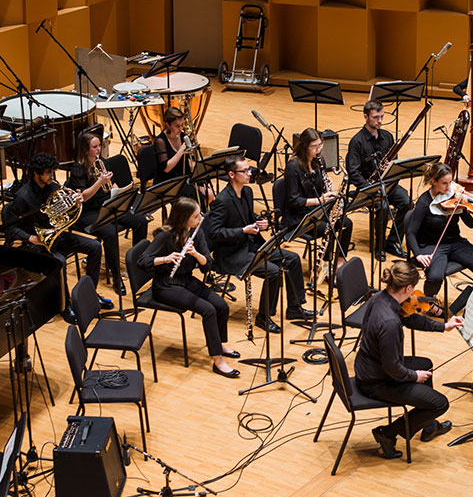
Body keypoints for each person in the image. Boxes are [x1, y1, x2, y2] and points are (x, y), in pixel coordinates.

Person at [354, 261, 465, 458]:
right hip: (376, 381)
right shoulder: (389, 324)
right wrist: (413, 376)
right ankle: (387, 433)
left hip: (370, 366)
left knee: (425, 365)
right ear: (408, 288)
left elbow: (410, 318)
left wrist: (444, 326)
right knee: (440, 404)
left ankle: (428, 425)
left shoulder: (381, 298)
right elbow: (392, 368)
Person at [207, 155, 313, 334]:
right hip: (232, 254)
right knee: (273, 272)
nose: (250, 174)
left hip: (251, 246)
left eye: (249, 169)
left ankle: (294, 307)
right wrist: (243, 230)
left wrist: (260, 222)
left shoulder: (247, 192)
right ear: (232, 175)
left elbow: (248, 218)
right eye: (245, 171)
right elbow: (214, 233)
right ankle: (263, 317)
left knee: (292, 259)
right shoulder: (222, 201)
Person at [138, 198, 240, 378]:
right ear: (183, 218)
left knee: (221, 306)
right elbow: (143, 261)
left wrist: (195, 253)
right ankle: (218, 361)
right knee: (208, 310)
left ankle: (219, 344)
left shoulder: (196, 233)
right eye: (195, 216)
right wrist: (166, 258)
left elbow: (207, 265)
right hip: (166, 285)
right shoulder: (165, 235)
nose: (201, 218)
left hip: (186, 280)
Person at [4, 152, 112, 310]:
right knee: (60, 262)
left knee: (95, 247)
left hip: (58, 236)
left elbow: (65, 212)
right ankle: (65, 304)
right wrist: (30, 238)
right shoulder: (23, 197)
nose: (51, 176)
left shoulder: (53, 187)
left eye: (52, 172)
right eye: (48, 172)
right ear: (36, 173)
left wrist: (74, 201)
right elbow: (10, 228)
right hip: (38, 244)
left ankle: (90, 294)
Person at [406, 162, 473, 315]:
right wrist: (418, 254)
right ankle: (428, 302)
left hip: (456, 242)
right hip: (432, 245)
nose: (449, 188)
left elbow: (470, 223)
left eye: (450, 182)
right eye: (444, 183)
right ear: (433, 182)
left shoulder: (455, 197)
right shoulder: (424, 202)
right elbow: (410, 233)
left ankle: (471, 305)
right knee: (435, 276)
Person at [66, 131, 148, 296]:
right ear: (85, 149)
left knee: (140, 221)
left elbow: (112, 185)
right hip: (87, 212)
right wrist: (100, 182)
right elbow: (83, 197)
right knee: (110, 233)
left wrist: (117, 190)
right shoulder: (77, 169)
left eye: (99, 146)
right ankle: (116, 276)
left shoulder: (102, 163)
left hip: (107, 204)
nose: (98, 150)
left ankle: (139, 264)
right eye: (94, 147)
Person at [346, 100, 411, 260]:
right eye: (376, 117)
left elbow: (395, 162)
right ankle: (379, 247)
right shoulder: (357, 141)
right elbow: (353, 172)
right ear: (365, 116)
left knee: (407, 202)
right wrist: (368, 187)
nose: (380, 121)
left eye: (381, 116)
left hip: (387, 184)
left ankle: (392, 242)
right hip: (367, 188)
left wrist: (389, 168)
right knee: (382, 207)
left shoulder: (387, 136)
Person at [282, 127, 353, 274]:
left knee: (346, 223)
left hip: (317, 209)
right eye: (314, 146)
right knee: (331, 227)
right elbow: (293, 201)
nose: (318, 149)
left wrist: (327, 190)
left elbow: (319, 187)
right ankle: (326, 266)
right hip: (299, 216)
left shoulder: (318, 161)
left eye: (320, 145)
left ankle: (339, 261)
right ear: (304, 146)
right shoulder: (293, 167)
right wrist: (319, 200)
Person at [152, 106, 212, 204]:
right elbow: (166, 168)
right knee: (196, 198)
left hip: (183, 177)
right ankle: (192, 216)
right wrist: (180, 151)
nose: (181, 129)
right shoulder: (160, 141)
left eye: (182, 125)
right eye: (177, 126)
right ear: (167, 125)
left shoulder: (183, 136)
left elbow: (187, 161)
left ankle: (199, 216)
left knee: (209, 193)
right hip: (168, 182)